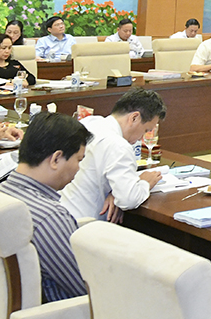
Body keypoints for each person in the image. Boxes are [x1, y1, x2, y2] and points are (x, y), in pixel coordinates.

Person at [0, 111, 91, 303]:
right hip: (60, 318)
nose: (78, 168)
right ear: (56, 159)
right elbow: (88, 288)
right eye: (79, 160)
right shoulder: (50, 218)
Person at [60, 88, 166, 222]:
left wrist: (115, 193)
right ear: (134, 118)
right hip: (84, 225)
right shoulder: (119, 146)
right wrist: (145, 183)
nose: (141, 138)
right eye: (146, 130)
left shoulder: (89, 122)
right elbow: (128, 199)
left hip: (59, 212)